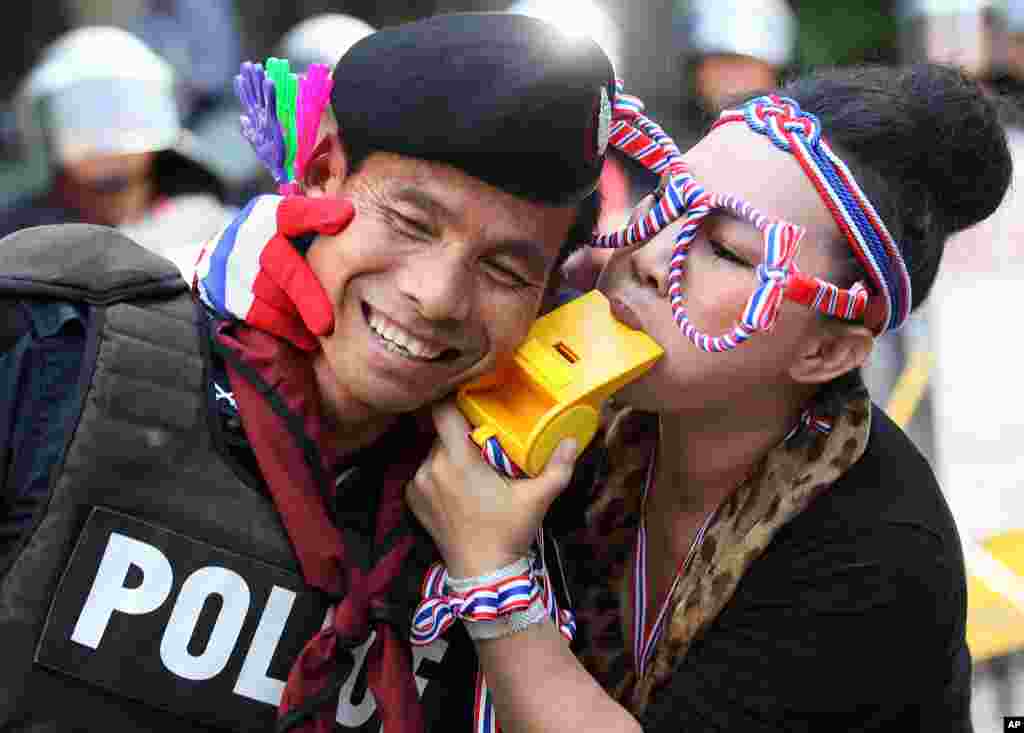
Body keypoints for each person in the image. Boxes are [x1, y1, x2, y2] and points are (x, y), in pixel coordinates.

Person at [0, 12, 613, 733]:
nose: (439, 295)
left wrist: (496, 579)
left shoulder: (529, 522)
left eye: (506, 269)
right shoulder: (59, 349)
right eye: (412, 222)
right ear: (323, 175)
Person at [405, 63, 1011, 731]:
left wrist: (492, 575)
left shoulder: (881, 553)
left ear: (826, 351)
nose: (652, 252)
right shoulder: (589, 387)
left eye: (723, 248)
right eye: (667, 196)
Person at [2, 25, 232, 277]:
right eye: (83, 116)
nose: (106, 147)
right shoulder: (15, 242)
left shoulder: (216, 231)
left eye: (124, 117)